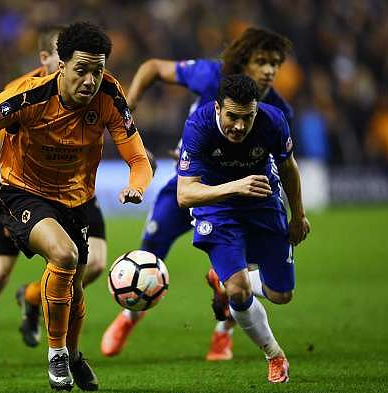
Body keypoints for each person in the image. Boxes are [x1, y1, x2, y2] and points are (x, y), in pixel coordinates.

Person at [0, 22, 153, 391]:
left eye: (98, 70)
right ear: (58, 65)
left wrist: (136, 186)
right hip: (22, 193)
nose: (91, 80)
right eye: (82, 70)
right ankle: (54, 355)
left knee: (76, 284)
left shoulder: (110, 95)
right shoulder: (25, 97)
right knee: (58, 258)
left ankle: (75, 353)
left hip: (76, 199)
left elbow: (139, 159)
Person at [101, 26, 294, 361]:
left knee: (239, 270)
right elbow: (152, 68)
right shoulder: (209, 76)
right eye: (262, 61)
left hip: (239, 198)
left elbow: (282, 166)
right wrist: (126, 113)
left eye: (275, 64)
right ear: (243, 61)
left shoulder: (277, 111)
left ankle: (223, 335)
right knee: (151, 249)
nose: (269, 71)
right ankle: (132, 314)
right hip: (188, 183)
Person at [176, 74, 310, 383]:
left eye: (247, 117)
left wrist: (298, 216)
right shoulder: (199, 126)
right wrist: (236, 186)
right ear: (218, 108)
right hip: (216, 207)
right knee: (238, 291)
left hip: (263, 202)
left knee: (281, 294)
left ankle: (225, 278)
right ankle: (275, 355)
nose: (239, 125)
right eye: (232, 116)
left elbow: (288, 168)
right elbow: (185, 194)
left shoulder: (272, 121)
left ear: (256, 110)